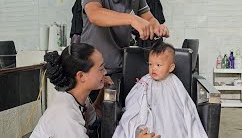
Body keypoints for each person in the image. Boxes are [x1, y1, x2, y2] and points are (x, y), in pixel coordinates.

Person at [30, 43, 160, 138]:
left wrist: (105, 90)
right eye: (101, 68)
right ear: (81, 76)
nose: (105, 72)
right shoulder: (65, 115)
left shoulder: (78, 98)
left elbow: (95, 116)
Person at [81, 0, 169, 75]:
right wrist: (132, 19)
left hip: (122, 67)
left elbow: (149, 19)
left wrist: (157, 27)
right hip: (92, 70)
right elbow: (94, 14)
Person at [113, 42, 208, 138]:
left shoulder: (174, 82)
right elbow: (134, 100)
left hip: (171, 116)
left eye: (158, 65)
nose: (153, 68)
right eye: (150, 64)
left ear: (171, 68)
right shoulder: (146, 80)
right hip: (149, 114)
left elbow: (185, 102)